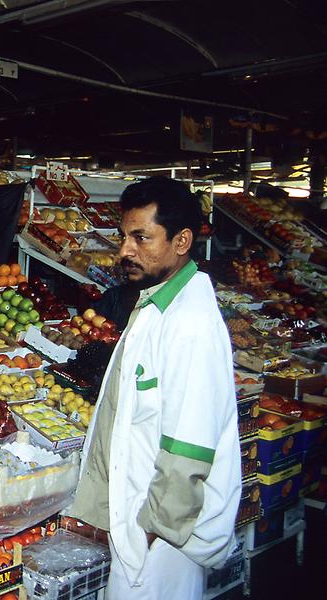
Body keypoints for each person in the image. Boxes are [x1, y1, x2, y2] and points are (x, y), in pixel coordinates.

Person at [68, 176, 241, 599]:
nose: (126, 250)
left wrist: (150, 532)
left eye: (141, 237)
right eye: (124, 236)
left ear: (181, 241)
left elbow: (190, 448)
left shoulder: (190, 325)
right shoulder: (154, 303)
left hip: (162, 536)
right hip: (140, 519)